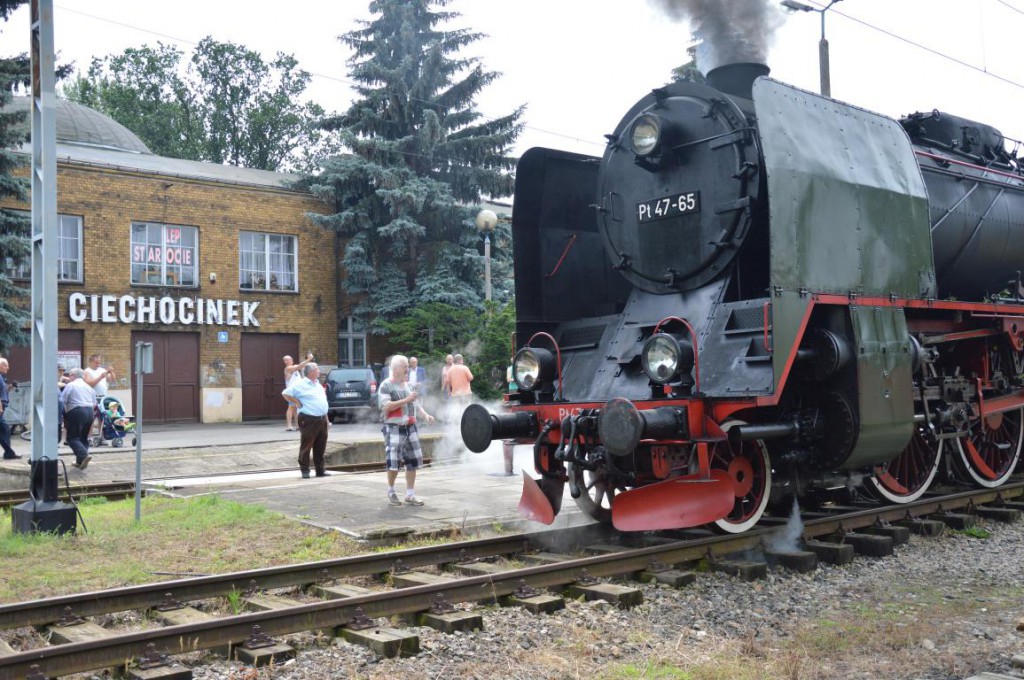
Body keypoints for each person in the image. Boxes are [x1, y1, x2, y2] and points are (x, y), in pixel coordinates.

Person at [379, 354, 435, 506]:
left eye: (407, 367)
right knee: (394, 461)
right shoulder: (386, 385)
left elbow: (415, 404)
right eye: (405, 367)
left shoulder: (408, 385)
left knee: (413, 461)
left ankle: (410, 494)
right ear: (396, 368)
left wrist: (425, 415)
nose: (408, 369)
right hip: (394, 428)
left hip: (411, 427)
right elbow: (386, 407)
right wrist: (406, 400)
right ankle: (391, 491)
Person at [281, 362, 330, 479]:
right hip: (308, 419)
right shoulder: (301, 384)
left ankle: (320, 470)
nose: (319, 371)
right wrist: (297, 402)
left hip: (321, 419)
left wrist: (327, 420)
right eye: (317, 369)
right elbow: (285, 393)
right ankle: (305, 470)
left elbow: (323, 403)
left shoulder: (318, 384)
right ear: (311, 372)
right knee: (306, 445)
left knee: (321, 446)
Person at [61, 367, 107, 469]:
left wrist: (63, 413)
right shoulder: (89, 387)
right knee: (83, 438)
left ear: (74, 375)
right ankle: (80, 461)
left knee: (72, 438)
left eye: (70, 374)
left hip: (76, 411)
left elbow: (63, 400)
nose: (68, 377)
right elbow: (94, 403)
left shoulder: (71, 385)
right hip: (89, 412)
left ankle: (83, 455)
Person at [84, 354, 116, 445]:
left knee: (102, 418)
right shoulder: (87, 371)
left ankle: (101, 437)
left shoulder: (102, 370)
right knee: (91, 418)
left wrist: (111, 372)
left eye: (99, 362)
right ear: (90, 362)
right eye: (96, 362)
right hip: (92, 398)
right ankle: (89, 438)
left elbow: (112, 380)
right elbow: (90, 383)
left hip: (103, 398)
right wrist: (100, 377)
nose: (98, 364)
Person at [283, 353, 313, 432]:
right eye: (288, 360)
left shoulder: (294, 369)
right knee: (291, 407)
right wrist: (308, 359)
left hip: (297, 391)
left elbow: (300, 369)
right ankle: (289, 426)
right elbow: (299, 366)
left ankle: (297, 425)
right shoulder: (288, 368)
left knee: (296, 408)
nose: (291, 360)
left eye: (290, 359)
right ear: (286, 361)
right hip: (291, 391)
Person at [0, 357, 19, 460]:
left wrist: (11, 386)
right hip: (0, 407)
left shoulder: (2, 378)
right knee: (4, 430)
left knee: (4, 430)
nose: (8, 367)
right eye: (5, 365)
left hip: (2, 406)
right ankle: (9, 453)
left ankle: (9, 453)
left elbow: (4, 391)